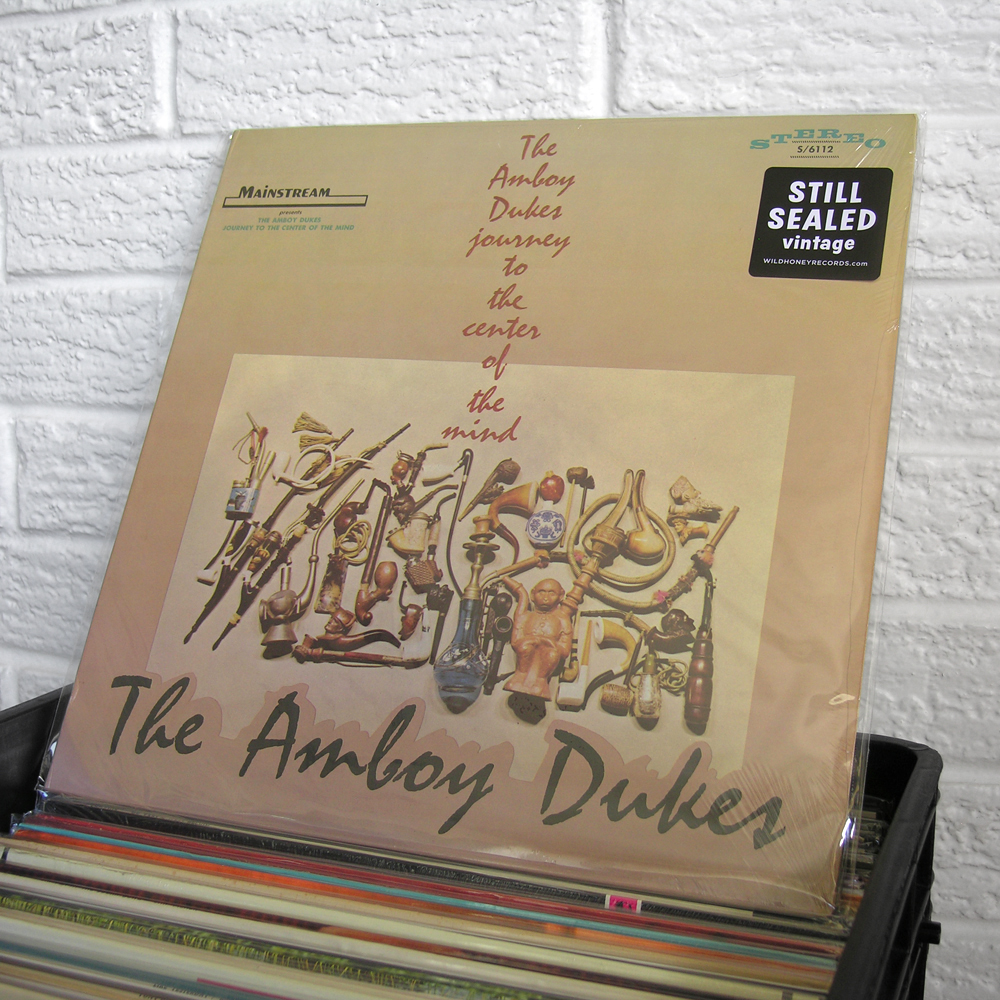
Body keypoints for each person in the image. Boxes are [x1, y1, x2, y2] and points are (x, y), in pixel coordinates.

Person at [502, 577, 573, 700]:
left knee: (552, 654)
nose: (546, 597)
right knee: (525, 647)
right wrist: (531, 641)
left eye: (551, 593)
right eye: (541, 592)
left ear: (561, 596)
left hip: (545, 666)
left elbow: (565, 650)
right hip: (523, 662)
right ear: (532, 594)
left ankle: (540, 683)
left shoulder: (562, 619)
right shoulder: (525, 616)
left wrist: (547, 642)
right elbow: (515, 642)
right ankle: (519, 678)